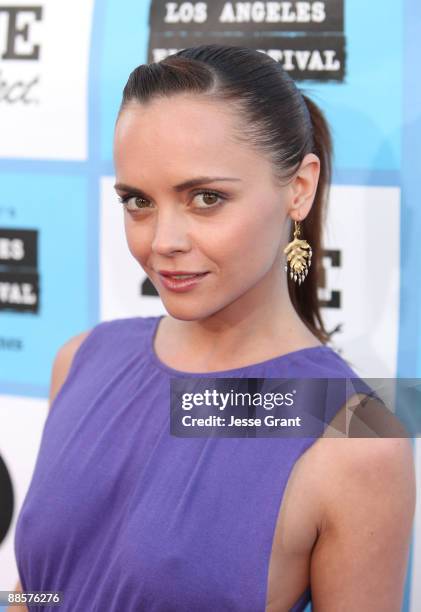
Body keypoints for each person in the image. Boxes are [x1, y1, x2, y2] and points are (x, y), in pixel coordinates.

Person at [12, 44, 415, 612]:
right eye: (138, 201)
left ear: (299, 188)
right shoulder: (82, 358)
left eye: (206, 198)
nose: (162, 241)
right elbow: (39, 592)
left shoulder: (355, 439)